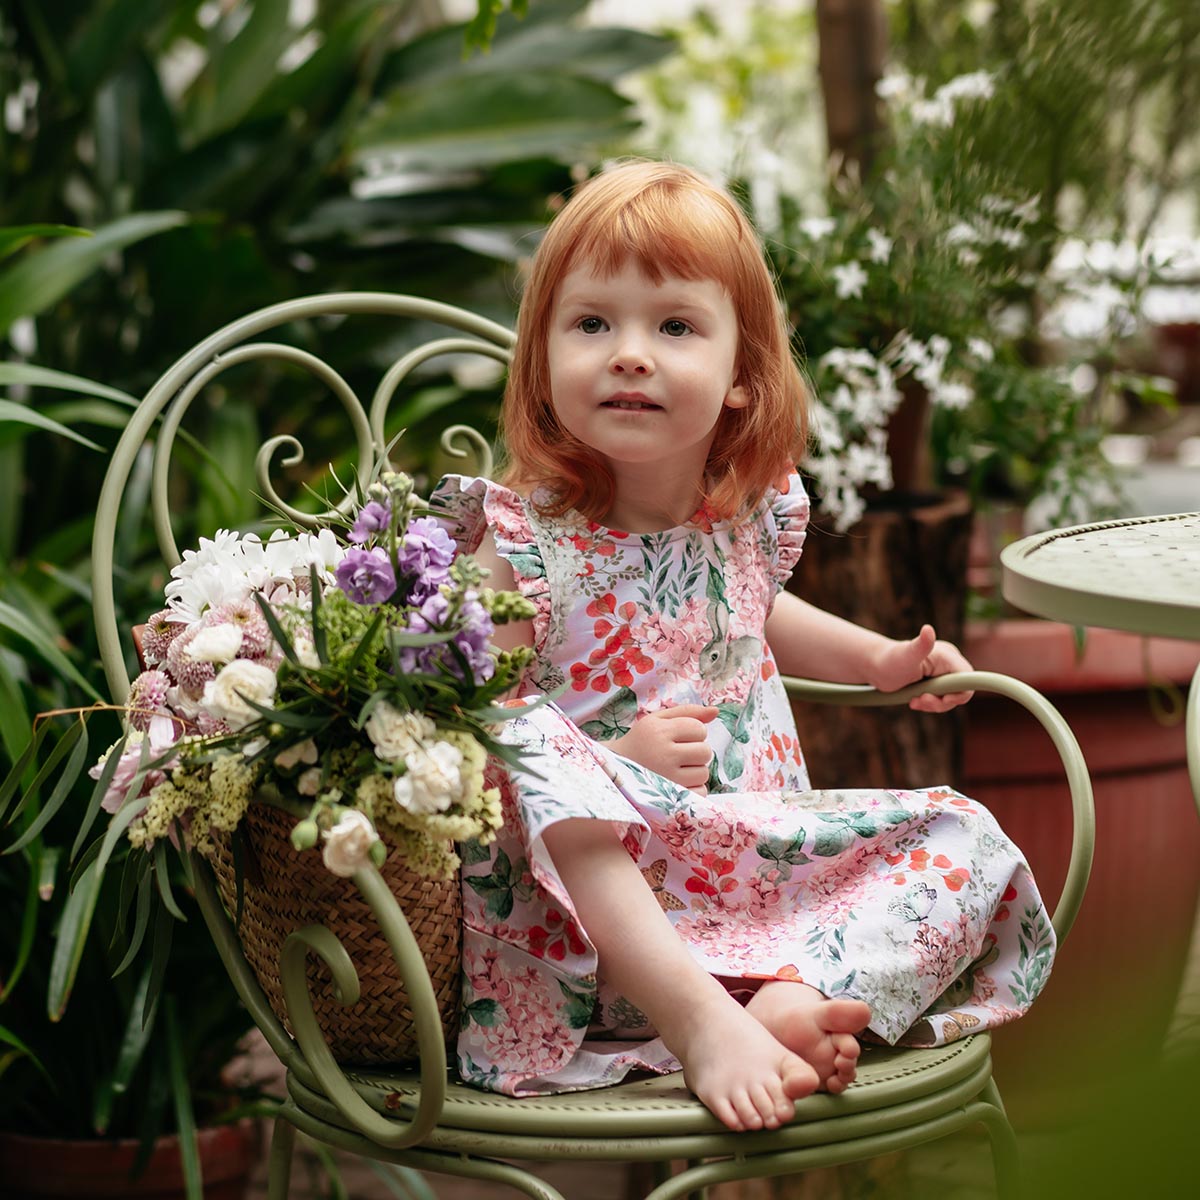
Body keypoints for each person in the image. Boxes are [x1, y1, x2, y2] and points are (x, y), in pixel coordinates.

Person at [429, 160, 1053, 1133]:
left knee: (964, 840)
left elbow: (755, 612)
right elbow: (475, 729)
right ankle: (701, 1024)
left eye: (674, 326)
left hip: (755, 885)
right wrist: (610, 767)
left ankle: (788, 993)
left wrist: (879, 661)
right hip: (602, 930)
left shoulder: (744, 524)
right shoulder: (524, 545)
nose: (630, 353)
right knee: (532, 752)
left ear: (740, 379)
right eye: (592, 323)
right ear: (543, 359)